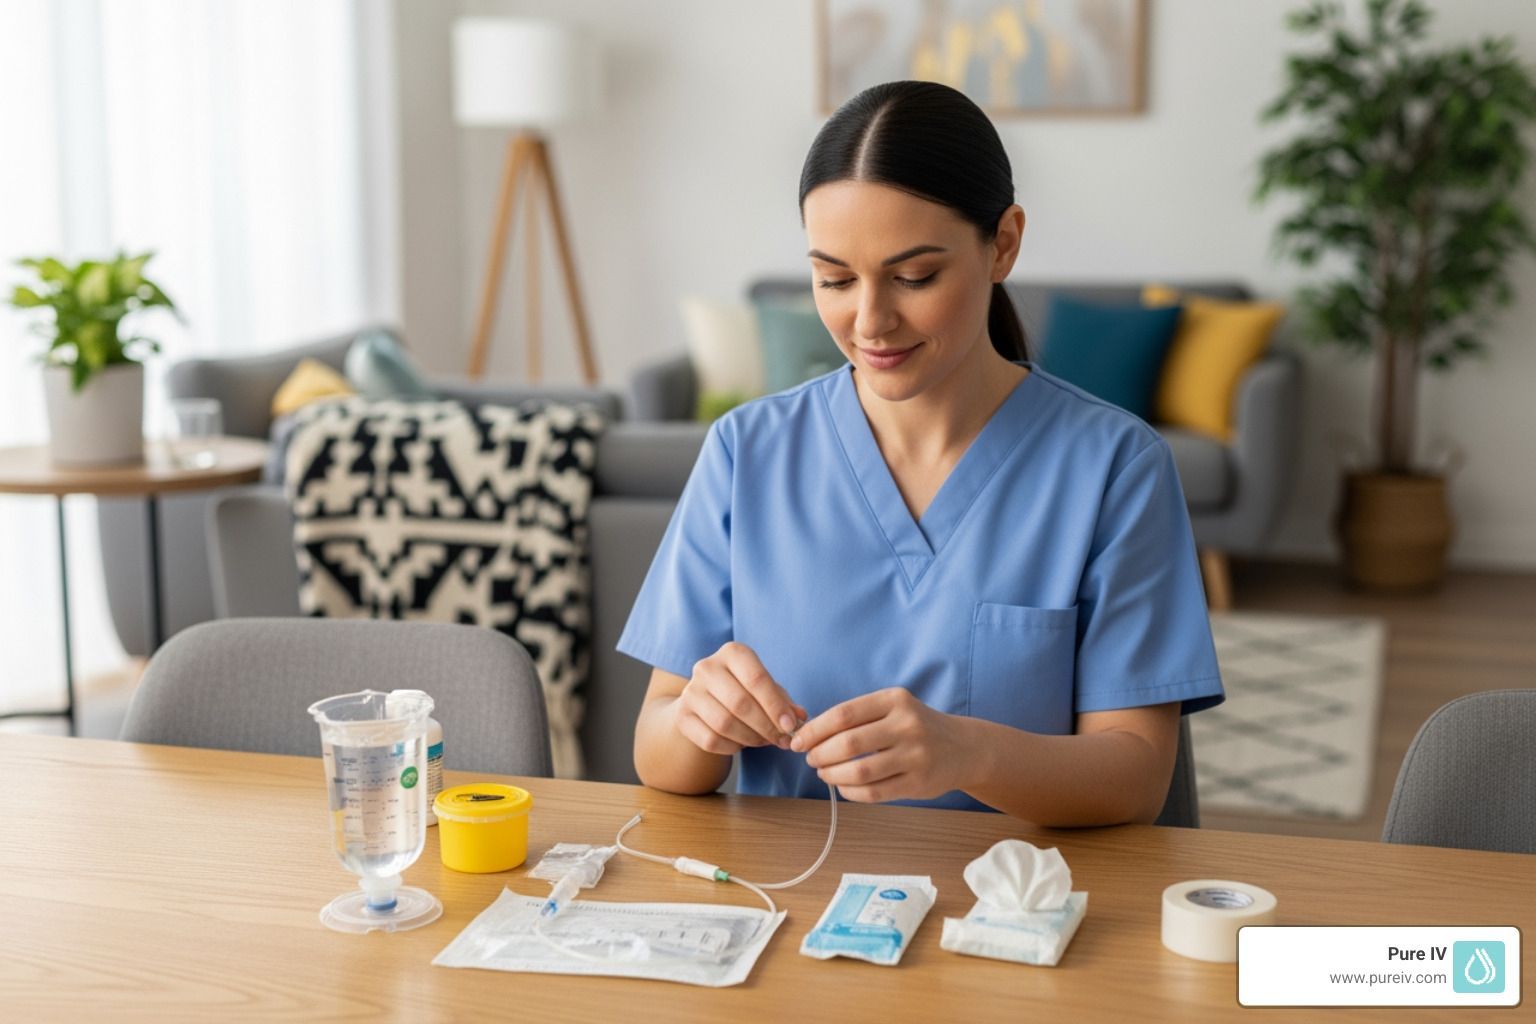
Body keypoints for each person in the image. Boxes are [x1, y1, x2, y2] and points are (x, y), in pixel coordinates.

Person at [619, 80, 1223, 825]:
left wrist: (967, 752)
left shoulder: (1114, 469)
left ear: (1002, 243)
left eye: (914, 277)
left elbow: (1135, 776)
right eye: (833, 279)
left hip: (1019, 914)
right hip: (791, 913)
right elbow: (657, 749)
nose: (869, 321)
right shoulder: (747, 452)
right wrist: (697, 724)